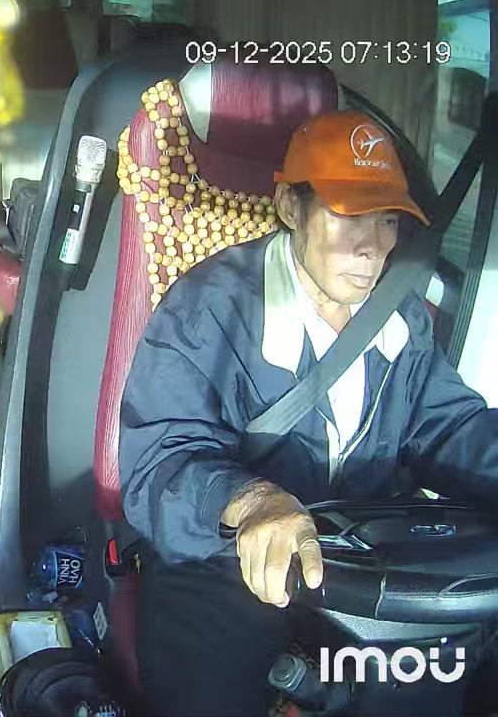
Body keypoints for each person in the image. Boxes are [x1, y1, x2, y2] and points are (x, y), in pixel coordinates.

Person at [117, 110, 498, 716]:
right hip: (226, 565)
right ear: (290, 207)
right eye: (349, 216)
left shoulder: (399, 317)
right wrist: (253, 503)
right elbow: (160, 466)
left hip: (357, 562)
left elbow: (449, 427)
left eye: (387, 219)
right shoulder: (209, 309)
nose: (372, 246)